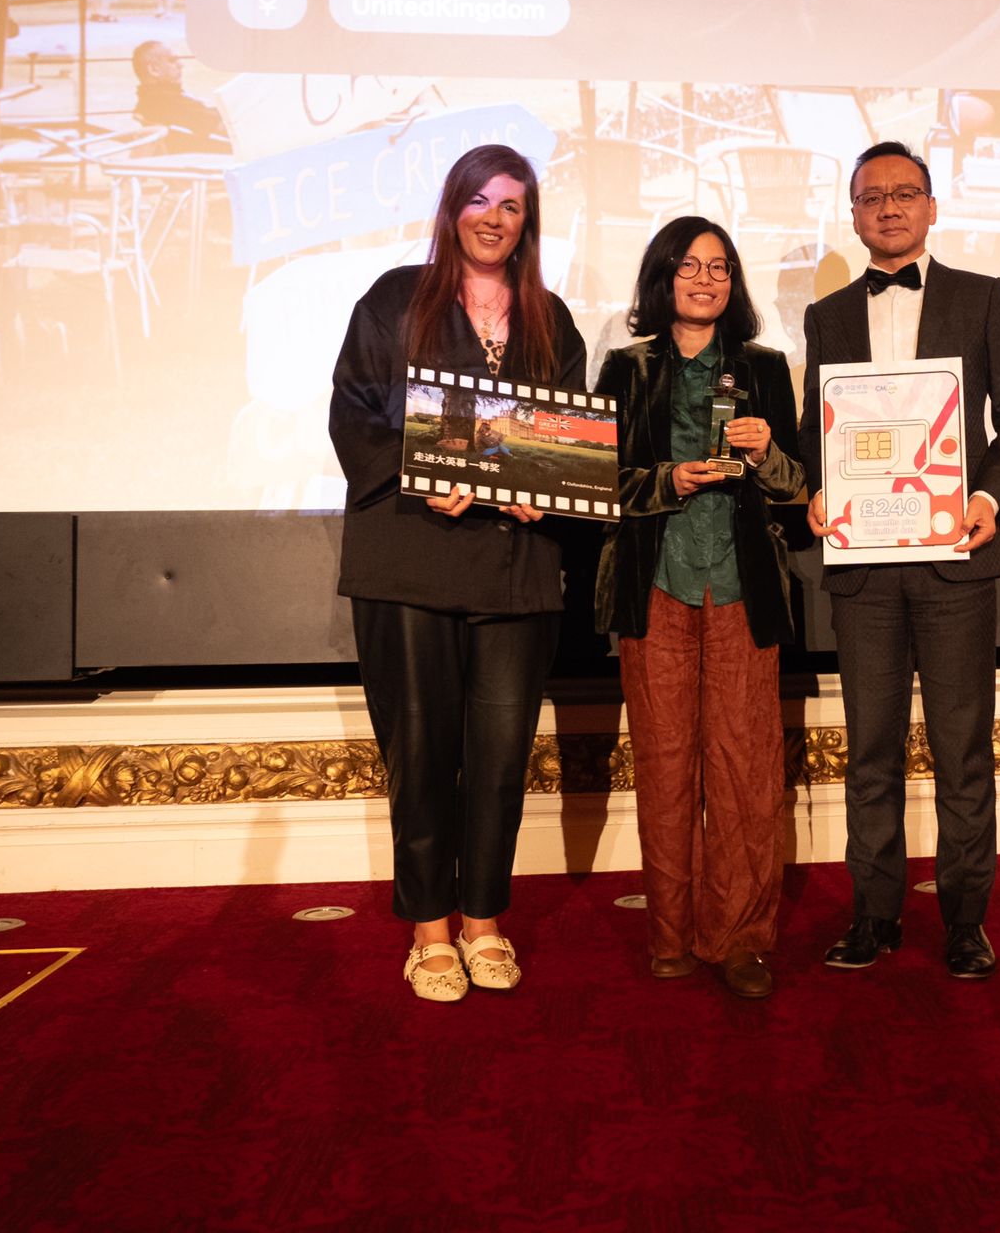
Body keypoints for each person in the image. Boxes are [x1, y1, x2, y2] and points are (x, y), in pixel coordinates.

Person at [329, 143, 587, 1003]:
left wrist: (542, 493)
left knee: (502, 753)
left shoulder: (554, 319)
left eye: (512, 204)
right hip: (409, 558)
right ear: (452, 208)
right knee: (422, 749)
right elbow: (353, 414)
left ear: (527, 222)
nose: (494, 216)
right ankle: (430, 928)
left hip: (514, 567)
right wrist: (422, 472)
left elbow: (565, 448)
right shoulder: (396, 298)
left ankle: (484, 920)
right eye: (479, 198)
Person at [798, 141, 1000, 980]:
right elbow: (814, 436)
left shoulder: (982, 298)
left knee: (961, 751)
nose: (890, 208)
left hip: (956, 561)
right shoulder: (826, 316)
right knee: (870, 752)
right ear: (855, 215)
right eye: (872, 197)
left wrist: (989, 497)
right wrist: (816, 494)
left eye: (905, 194)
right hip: (863, 567)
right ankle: (874, 916)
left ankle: (967, 923)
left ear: (932, 209)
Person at [595, 217, 804, 999]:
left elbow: (798, 492)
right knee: (666, 765)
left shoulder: (767, 369)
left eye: (720, 267)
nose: (706, 279)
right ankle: (672, 935)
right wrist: (668, 482)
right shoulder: (623, 370)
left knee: (747, 770)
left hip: (743, 590)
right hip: (656, 588)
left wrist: (764, 455)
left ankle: (742, 939)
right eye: (690, 265)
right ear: (662, 277)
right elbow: (592, 489)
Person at [130, 42, 228, 151]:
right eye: (172, 60)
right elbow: (227, 127)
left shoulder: (149, 101)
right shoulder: (168, 103)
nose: (181, 65)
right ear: (154, 70)